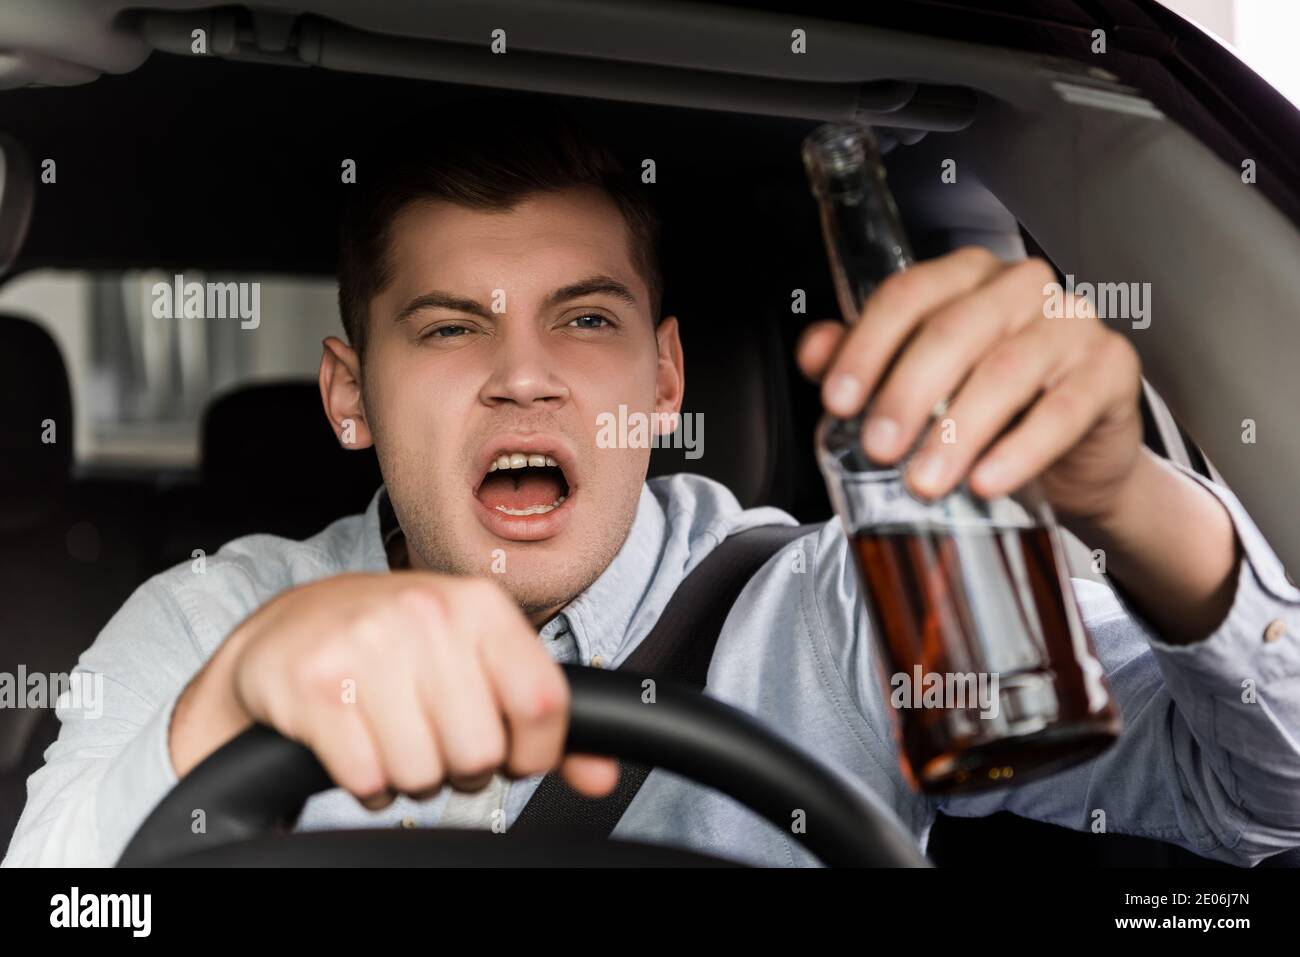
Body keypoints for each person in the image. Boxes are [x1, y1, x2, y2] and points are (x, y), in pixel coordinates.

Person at [6, 100, 1298, 867]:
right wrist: (228, 707)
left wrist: (1132, 500)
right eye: (452, 327)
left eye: (583, 320)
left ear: (664, 375)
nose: (525, 378)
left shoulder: (840, 613)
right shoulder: (207, 623)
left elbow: (1265, 805)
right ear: (349, 392)